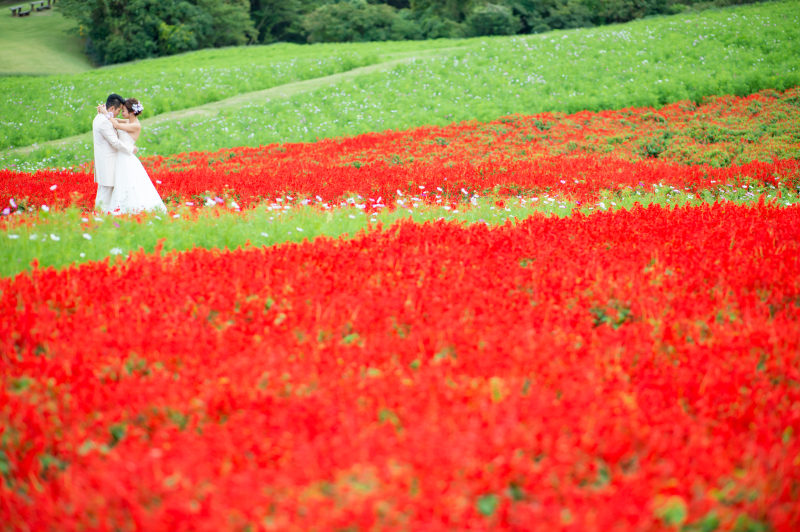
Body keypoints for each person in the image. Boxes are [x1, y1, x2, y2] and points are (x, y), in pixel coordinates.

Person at [96, 98, 167, 215]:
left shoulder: (136, 126)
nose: (121, 113)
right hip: (121, 156)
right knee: (121, 184)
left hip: (126, 158)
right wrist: (105, 112)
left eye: (123, 110)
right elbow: (115, 119)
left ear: (131, 112)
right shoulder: (128, 121)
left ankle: (129, 209)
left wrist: (105, 112)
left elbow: (116, 124)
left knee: (127, 183)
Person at [92, 94, 136, 211]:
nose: (119, 113)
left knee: (103, 194)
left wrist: (104, 112)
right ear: (112, 109)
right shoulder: (105, 122)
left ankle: (99, 217)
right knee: (105, 196)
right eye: (119, 110)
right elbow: (115, 142)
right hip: (108, 163)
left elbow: (118, 121)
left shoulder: (101, 117)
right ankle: (99, 220)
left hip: (105, 162)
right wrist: (131, 149)